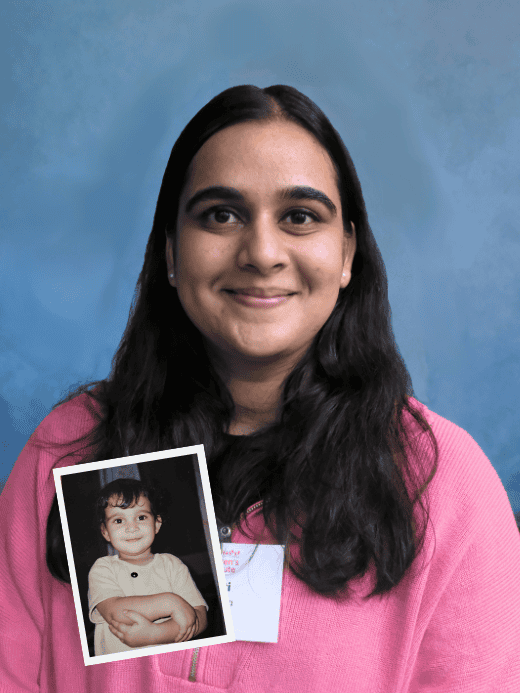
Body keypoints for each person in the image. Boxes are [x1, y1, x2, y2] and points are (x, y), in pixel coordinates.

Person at [1, 84, 519, 692]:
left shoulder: (444, 482)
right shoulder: (68, 448)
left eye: (299, 217)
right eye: (222, 214)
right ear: (171, 251)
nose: (262, 252)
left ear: (347, 252)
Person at [88, 478, 208, 655]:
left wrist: (156, 634)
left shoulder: (173, 565)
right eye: (119, 521)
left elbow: (200, 619)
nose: (132, 527)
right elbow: (115, 612)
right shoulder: (102, 568)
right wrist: (171, 603)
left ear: (157, 523)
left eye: (141, 517)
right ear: (105, 531)